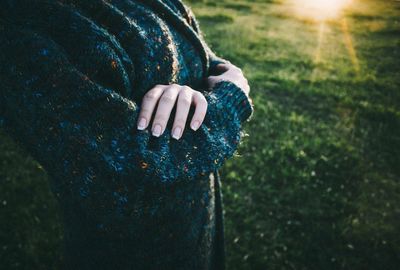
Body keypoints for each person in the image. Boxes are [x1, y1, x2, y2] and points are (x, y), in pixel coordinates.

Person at [0, 0, 254, 269]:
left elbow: (199, 54)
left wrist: (221, 79)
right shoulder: (23, 29)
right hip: (130, 253)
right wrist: (227, 101)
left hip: (200, 223)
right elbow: (128, 172)